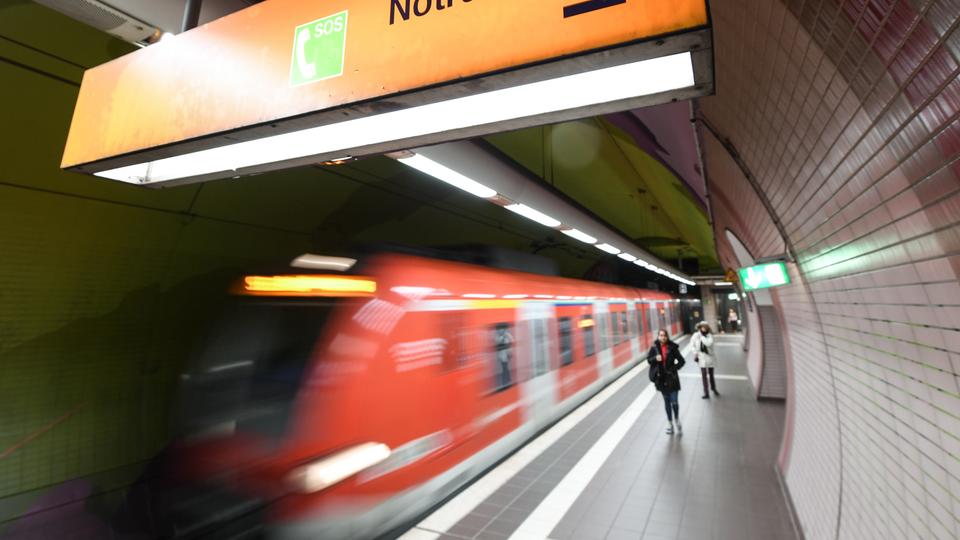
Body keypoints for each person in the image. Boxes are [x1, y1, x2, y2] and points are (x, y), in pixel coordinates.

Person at [647, 329, 686, 434]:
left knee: (674, 402)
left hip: (672, 378)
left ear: (667, 336)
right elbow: (649, 360)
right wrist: (655, 358)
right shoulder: (654, 348)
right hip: (661, 380)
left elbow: (682, 361)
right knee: (667, 402)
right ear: (658, 336)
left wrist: (673, 368)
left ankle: (676, 419)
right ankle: (670, 423)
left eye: (664, 335)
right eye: (661, 335)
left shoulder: (672, 347)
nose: (663, 337)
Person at [691, 321, 718, 398]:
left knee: (711, 375)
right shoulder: (696, 335)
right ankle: (706, 393)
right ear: (700, 328)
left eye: (705, 327)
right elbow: (692, 345)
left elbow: (708, 343)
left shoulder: (710, 335)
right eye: (702, 327)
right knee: (704, 375)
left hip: (710, 357)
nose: (704, 328)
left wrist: (701, 336)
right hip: (701, 357)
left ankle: (713, 388)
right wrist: (695, 352)